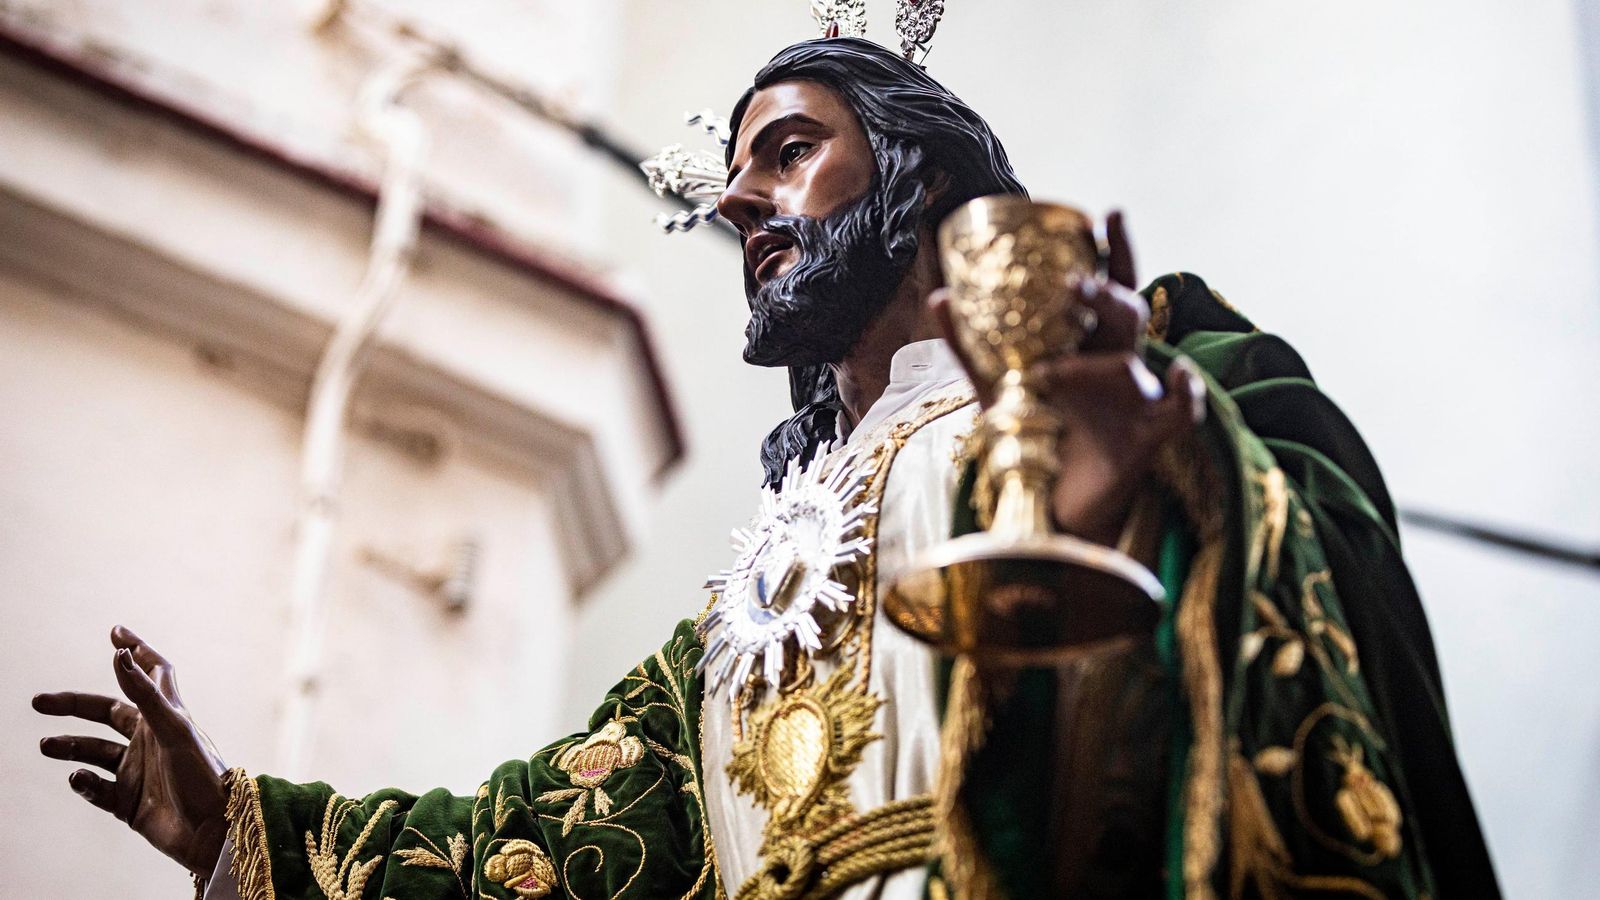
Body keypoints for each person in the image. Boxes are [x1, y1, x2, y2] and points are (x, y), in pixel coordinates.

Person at [34, 37, 1498, 899]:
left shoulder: (1132, 370)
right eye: (740, 170)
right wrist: (235, 824)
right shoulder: (736, 631)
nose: (741, 199)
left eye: (789, 151)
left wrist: (1143, 484)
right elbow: (536, 850)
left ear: (917, 180)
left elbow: (1309, 554)